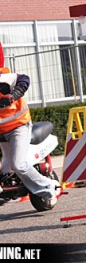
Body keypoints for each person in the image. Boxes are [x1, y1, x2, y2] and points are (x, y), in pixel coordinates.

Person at [0, 60, 60, 206]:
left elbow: (24, 78)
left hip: (19, 126)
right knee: (6, 170)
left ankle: (48, 188)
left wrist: (14, 94)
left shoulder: (3, 78)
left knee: (18, 164)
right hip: (2, 131)